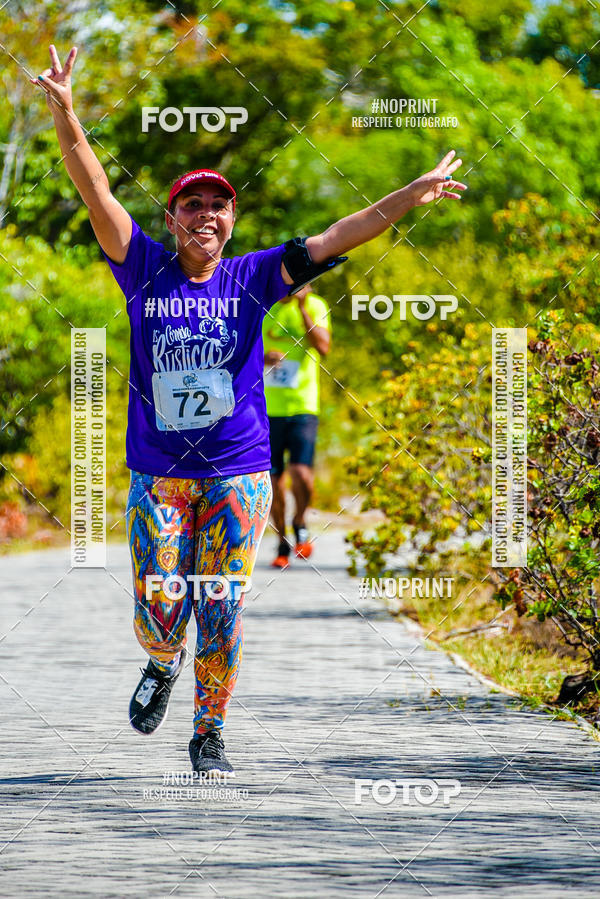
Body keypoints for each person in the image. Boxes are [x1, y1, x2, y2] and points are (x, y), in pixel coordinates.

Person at [32, 44, 466, 775]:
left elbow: (337, 235)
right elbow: (94, 186)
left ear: (233, 219)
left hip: (239, 473)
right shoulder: (140, 265)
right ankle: (161, 663)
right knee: (163, 612)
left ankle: (209, 734)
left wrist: (409, 196)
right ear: (171, 219)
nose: (207, 213)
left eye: (219, 203)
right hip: (160, 476)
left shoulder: (256, 275)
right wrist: (67, 111)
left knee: (224, 607)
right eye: (192, 204)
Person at [263, 282, 331, 568]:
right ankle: (281, 542)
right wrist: (264, 357)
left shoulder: (316, 306)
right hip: (268, 409)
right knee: (273, 481)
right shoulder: (265, 309)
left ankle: (300, 519)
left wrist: (303, 307)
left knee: (301, 474)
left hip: (304, 406)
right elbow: (244, 352)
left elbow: (323, 346)